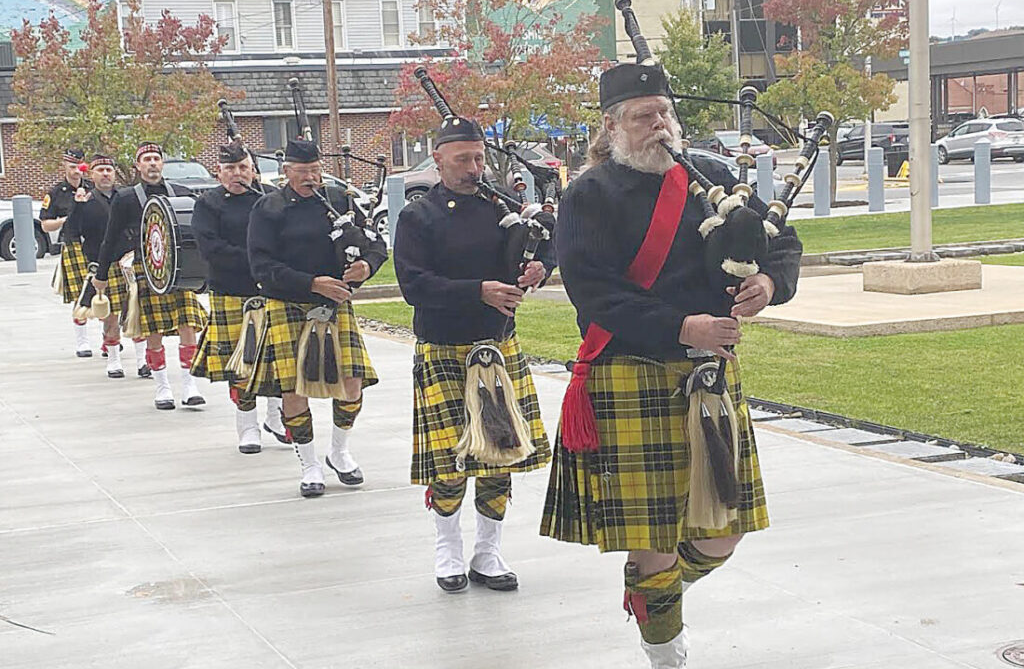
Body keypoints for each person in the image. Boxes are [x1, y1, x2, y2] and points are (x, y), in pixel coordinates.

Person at [539, 64, 802, 667]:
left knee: (723, 533)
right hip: (631, 371)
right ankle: (665, 648)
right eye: (642, 116)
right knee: (653, 541)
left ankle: (656, 598)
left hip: (710, 378)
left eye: (664, 112)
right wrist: (683, 325)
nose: (658, 125)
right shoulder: (590, 193)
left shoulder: (709, 174)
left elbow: (780, 239)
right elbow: (593, 291)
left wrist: (769, 281)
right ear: (612, 127)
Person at [393, 116, 554, 593]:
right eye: (462, 159)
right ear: (438, 158)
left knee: (500, 454)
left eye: (479, 158)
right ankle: (448, 550)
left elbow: (550, 239)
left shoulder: (500, 207)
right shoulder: (418, 216)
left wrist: (542, 266)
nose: (473, 167)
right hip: (444, 347)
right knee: (450, 461)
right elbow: (412, 286)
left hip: (498, 345)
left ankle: (488, 551)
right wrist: (477, 291)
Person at [247, 138, 387, 496]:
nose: (311, 177)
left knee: (353, 383)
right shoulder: (269, 208)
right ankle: (309, 464)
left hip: (336, 306)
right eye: (302, 171)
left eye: (315, 170)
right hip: (289, 305)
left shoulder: (339, 201)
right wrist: (313, 283)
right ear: (286, 172)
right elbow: (261, 267)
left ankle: (339, 452)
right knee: (295, 389)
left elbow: (375, 244)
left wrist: (366, 266)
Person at [93, 142, 209, 410]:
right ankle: (163, 387)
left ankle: (190, 385)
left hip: (178, 270)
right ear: (138, 165)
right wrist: (101, 274)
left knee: (188, 326)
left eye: (156, 158)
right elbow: (110, 239)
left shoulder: (182, 194)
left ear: (162, 163)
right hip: (147, 270)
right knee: (153, 330)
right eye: (146, 159)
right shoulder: (125, 198)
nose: (152, 163)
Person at [190, 141, 287, 453]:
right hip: (231, 291)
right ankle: (247, 427)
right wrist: (259, 258)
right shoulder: (209, 204)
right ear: (219, 173)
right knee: (242, 365)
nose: (237, 174)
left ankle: (276, 417)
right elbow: (210, 248)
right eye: (230, 169)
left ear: (253, 170)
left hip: (272, 290)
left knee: (275, 362)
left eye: (243, 167)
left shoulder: (271, 199)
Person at [65, 154, 130, 379]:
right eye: (100, 170)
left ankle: (143, 361)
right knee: (111, 315)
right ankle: (113, 360)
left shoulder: (125, 197)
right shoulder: (86, 200)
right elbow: (72, 232)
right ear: (91, 175)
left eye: (109, 170)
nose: (105, 174)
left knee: (136, 313)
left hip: (129, 262)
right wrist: (77, 206)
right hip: (104, 263)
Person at [41, 148, 93, 357]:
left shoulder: (92, 187)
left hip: (96, 243)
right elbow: (45, 225)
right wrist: (64, 221)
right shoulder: (55, 193)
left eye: (79, 167)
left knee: (107, 291)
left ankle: (110, 340)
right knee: (79, 294)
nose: (76, 172)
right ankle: (82, 341)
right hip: (73, 245)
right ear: (64, 166)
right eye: (72, 167)